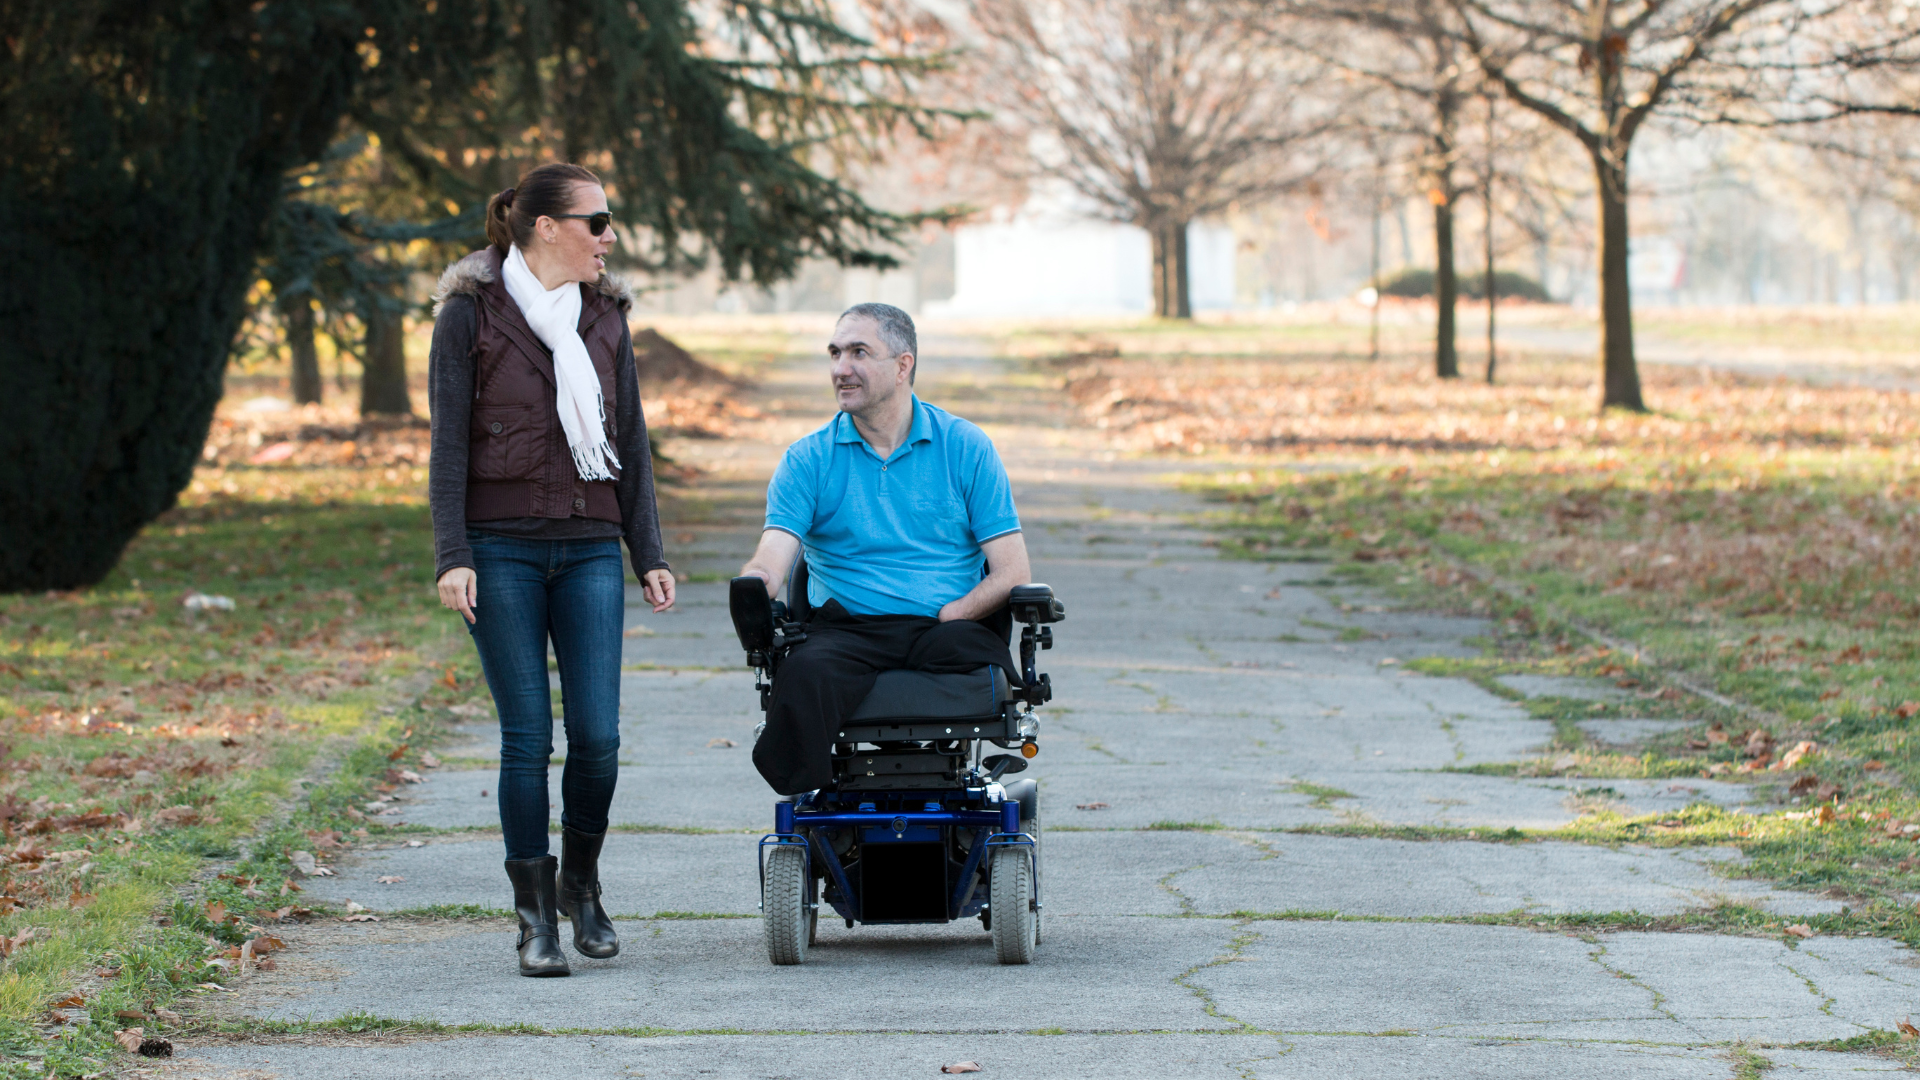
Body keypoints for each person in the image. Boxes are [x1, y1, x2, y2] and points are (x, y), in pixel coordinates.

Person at [427, 162, 676, 977]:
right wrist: (451, 556)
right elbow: (449, 445)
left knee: (598, 738)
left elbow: (630, 438)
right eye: (597, 221)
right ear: (545, 227)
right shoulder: (470, 315)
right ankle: (534, 920)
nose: (609, 236)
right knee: (528, 737)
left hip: (590, 546)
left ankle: (582, 883)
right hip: (498, 549)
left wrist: (650, 553)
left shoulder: (605, 317)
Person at [740, 303, 1031, 795]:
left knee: (980, 666)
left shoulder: (964, 446)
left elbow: (1012, 571)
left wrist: (954, 612)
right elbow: (773, 556)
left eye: (858, 352)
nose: (840, 368)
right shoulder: (807, 459)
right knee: (804, 672)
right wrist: (754, 586)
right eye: (835, 353)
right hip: (846, 630)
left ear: (903, 365)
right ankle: (821, 802)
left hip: (944, 627)